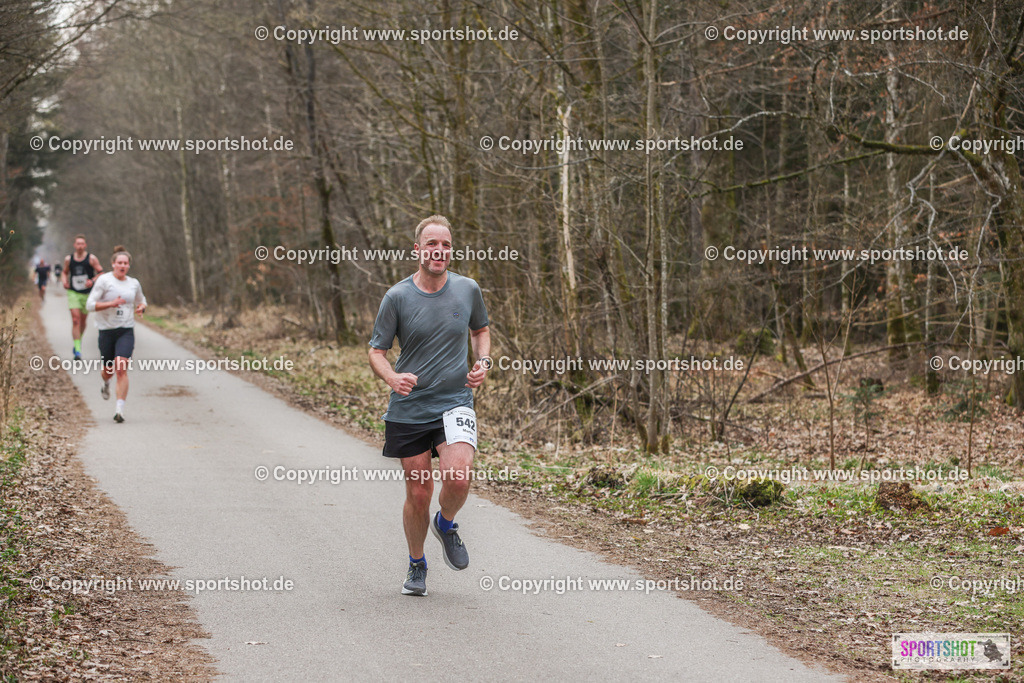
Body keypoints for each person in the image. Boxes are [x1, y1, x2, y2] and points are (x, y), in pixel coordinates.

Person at [369, 215, 492, 597]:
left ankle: (447, 523)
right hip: (410, 407)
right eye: (432, 244)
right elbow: (377, 351)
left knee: (458, 476)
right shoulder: (398, 297)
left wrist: (483, 362)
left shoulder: (468, 289)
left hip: (455, 401)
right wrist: (392, 377)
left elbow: (481, 331)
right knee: (418, 492)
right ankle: (417, 564)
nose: (439, 251)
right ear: (418, 250)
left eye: (446, 245)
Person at [86, 246, 147, 423]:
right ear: (113, 264)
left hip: (126, 330)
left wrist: (141, 307)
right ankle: (105, 383)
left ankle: (119, 410)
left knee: (121, 367)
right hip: (106, 331)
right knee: (108, 371)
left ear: (129, 266)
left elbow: (141, 300)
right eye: (119, 262)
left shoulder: (133, 283)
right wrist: (110, 303)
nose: (122, 265)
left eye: (125, 263)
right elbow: (90, 305)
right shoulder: (104, 281)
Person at [62, 235, 103, 361]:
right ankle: (78, 350)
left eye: (82, 244)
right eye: (78, 244)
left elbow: (101, 272)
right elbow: (65, 272)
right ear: (74, 245)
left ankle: (77, 341)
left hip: (87, 294)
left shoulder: (91, 258)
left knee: (83, 321)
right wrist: (64, 281)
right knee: (76, 320)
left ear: (85, 245)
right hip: (73, 292)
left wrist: (92, 280)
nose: (80, 246)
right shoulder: (69, 259)